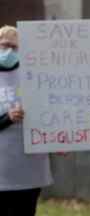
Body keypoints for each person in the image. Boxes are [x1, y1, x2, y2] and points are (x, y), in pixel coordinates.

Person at [0, 25, 53, 216]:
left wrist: (61, 138)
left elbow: (51, 113)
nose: (8, 52)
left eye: (14, 47)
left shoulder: (36, 76)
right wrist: (7, 118)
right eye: (4, 46)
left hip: (30, 170)